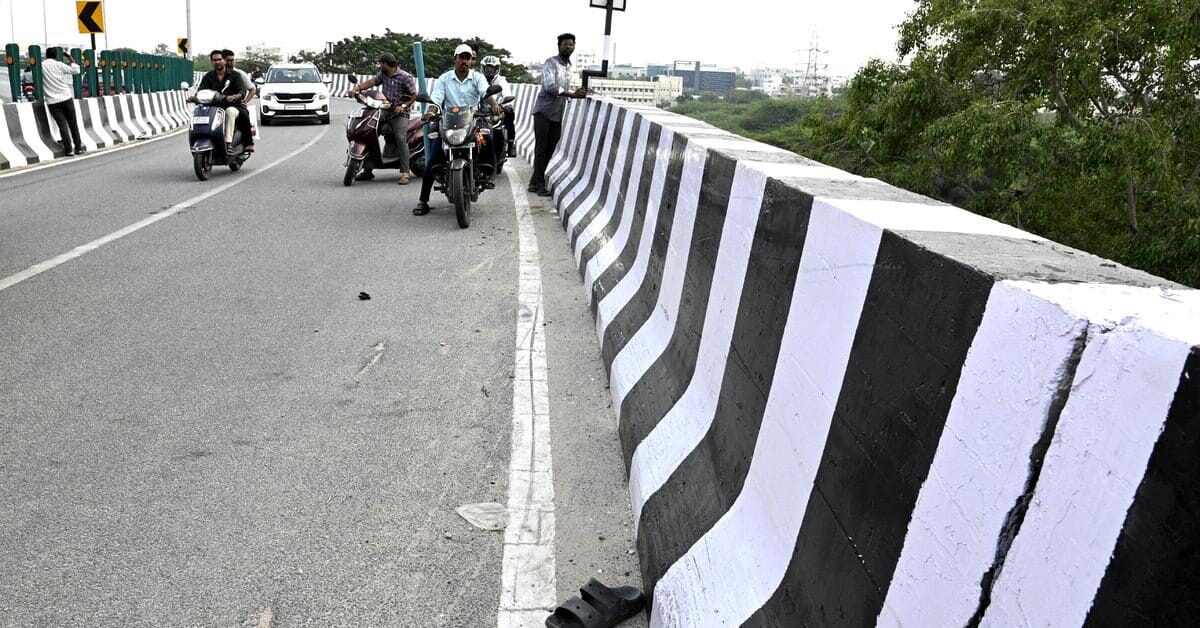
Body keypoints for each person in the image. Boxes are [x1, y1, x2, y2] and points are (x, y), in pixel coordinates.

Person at [413, 43, 503, 216]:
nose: (464, 61)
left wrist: (494, 105)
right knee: (433, 158)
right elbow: (437, 99)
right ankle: (423, 200)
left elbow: (486, 93)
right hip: (449, 122)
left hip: (473, 121)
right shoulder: (444, 79)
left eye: (468, 58)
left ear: (471, 61)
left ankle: (489, 174)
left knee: (488, 138)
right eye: (461, 57)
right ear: (455, 59)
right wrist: (430, 112)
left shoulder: (477, 78)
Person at [529, 33, 589, 196]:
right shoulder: (551, 63)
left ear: (574, 46)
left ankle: (535, 180)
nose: (568, 47)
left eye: (571, 44)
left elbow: (565, 88)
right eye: (565, 44)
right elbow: (550, 86)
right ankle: (540, 185)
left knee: (551, 146)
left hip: (557, 112)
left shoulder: (569, 66)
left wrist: (579, 92)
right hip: (543, 111)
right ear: (559, 46)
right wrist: (571, 94)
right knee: (541, 148)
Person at [348, 53, 418, 184]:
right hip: (384, 110)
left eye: (381, 63)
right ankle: (367, 170)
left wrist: (403, 106)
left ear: (387, 64)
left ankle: (405, 172)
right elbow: (371, 82)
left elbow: (414, 95)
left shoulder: (405, 77)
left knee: (400, 138)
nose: (380, 66)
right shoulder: (383, 75)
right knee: (369, 130)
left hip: (400, 112)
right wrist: (356, 89)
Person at [192, 49, 250, 154]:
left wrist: (236, 96)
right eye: (214, 60)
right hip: (214, 107)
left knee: (230, 112)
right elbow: (201, 90)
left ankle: (228, 143)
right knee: (201, 112)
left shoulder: (235, 75)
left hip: (232, 106)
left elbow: (242, 91)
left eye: (219, 59)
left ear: (224, 61)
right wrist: (194, 97)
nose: (217, 62)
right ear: (211, 62)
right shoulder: (208, 76)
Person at [41, 48, 85, 156]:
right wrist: (70, 57)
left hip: (53, 101)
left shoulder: (41, 66)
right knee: (72, 124)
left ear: (46, 55)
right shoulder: (59, 65)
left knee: (62, 125)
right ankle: (78, 148)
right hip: (66, 97)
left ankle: (69, 150)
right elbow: (76, 70)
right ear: (56, 56)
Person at [479, 55, 516, 158]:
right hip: (479, 112)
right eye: (487, 68)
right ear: (482, 68)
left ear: (497, 69)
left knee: (510, 114)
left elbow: (507, 93)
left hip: (497, 111)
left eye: (492, 68)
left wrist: (507, 105)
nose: (489, 71)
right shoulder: (477, 79)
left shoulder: (501, 81)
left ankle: (511, 143)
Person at [222, 49, 255, 152]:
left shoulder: (239, 74)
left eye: (232, 60)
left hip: (235, 104)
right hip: (218, 104)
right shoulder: (215, 74)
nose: (231, 63)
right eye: (228, 60)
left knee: (244, 115)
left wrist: (245, 101)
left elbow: (252, 89)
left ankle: (248, 143)